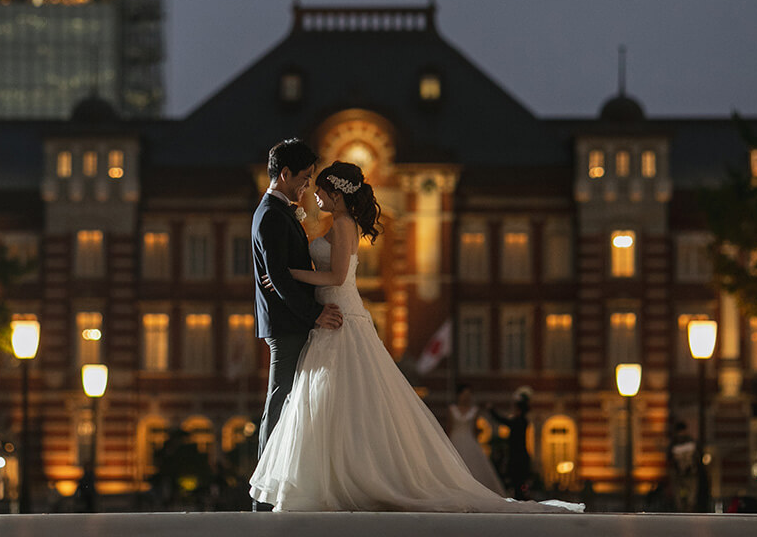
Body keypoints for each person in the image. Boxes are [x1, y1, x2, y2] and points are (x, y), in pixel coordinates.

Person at [249, 160, 581, 513]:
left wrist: (290, 274)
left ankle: (351, 478)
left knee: (346, 400)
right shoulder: (337, 223)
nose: (314, 195)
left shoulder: (344, 224)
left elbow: (336, 276)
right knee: (332, 402)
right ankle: (332, 479)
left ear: (335, 193)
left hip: (342, 317)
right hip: (329, 320)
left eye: (320, 190)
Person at [251, 139, 343, 511]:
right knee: (280, 400)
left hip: (291, 322)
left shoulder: (280, 210)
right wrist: (315, 314)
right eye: (304, 179)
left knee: (289, 401)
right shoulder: (271, 214)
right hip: (287, 325)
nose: (306, 186)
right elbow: (278, 277)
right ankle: (262, 490)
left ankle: (277, 484)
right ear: (284, 174)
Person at [448, 384, 506, 496]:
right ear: (459, 395)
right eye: (464, 395)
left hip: (469, 439)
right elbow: (449, 427)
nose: (466, 398)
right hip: (456, 439)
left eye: (468, 395)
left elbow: (475, 429)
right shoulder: (452, 409)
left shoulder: (474, 410)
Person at [489, 388, 534, 500]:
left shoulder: (519, 421)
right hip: (520, 455)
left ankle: (519, 499)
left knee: (516, 482)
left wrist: (491, 411)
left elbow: (503, 421)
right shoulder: (522, 420)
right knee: (518, 483)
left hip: (517, 456)